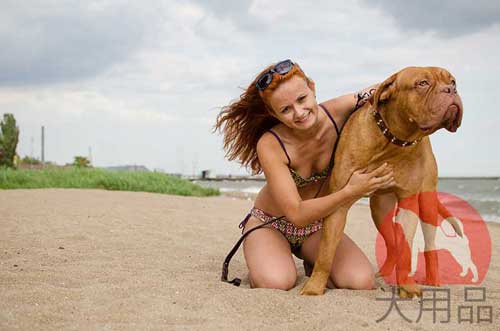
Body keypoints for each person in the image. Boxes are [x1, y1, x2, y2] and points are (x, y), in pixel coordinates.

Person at [214, 59, 395, 291]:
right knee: (277, 282)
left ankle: (310, 260)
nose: (299, 113)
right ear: (273, 113)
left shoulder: (339, 112)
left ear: (312, 88)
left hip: (316, 227)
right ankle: (264, 257)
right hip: (271, 223)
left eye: (302, 99)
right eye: (285, 109)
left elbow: (388, 89)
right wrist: (352, 191)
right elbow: (297, 214)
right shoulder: (271, 144)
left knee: (360, 281)